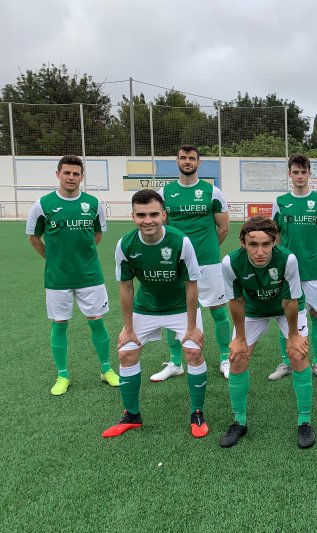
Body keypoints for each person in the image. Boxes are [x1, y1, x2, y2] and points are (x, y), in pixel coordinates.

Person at [102, 189, 208, 438]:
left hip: (181, 308)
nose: (147, 220)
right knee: (126, 354)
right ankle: (132, 415)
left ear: (164, 215)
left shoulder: (180, 241)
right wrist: (127, 328)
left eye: (153, 214)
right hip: (146, 307)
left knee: (193, 352)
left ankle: (197, 413)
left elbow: (192, 284)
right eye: (141, 215)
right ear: (133, 216)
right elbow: (126, 287)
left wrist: (192, 327)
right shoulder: (125, 244)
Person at [26, 155, 119, 395]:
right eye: (66, 172)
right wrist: (54, 258)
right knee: (59, 325)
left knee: (97, 322)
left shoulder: (93, 203)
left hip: (90, 276)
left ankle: (106, 369)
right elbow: (34, 239)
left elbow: (96, 235)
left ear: (81, 176)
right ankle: (62, 375)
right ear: (58, 174)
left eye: (76, 173)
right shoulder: (43, 204)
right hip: (57, 278)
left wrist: (81, 257)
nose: (71, 177)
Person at [220, 217, 313, 449]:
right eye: (253, 244)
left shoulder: (287, 259)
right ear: (243, 243)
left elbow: (290, 301)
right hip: (253, 310)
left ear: (274, 242)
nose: (260, 251)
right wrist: (240, 339)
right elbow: (236, 301)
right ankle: (239, 421)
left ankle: (305, 421)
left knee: (298, 356)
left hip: (287, 309)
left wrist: (293, 336)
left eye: (266, 244)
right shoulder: (230, 262)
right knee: (237, 359)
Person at [151, 145, 231, 381]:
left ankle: (225, 358)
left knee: (218, 310)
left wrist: (206, 249)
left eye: (192, 158)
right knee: (173, 311)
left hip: (208, 262)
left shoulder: (212, 192)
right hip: (175, 263)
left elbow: (223, 228)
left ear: (199, 162)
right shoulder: (165, 194)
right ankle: (176, 362)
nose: (187, 161)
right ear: (177, 161)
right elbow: (159, 227)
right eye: (183, 158)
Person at [267, 154, 317, 381]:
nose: (300, 176)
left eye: (304, 172)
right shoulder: (281, 201)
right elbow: (274, 234)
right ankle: (286, 363)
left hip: (313, 269)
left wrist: (311, 252)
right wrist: (285, 256)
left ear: (309, 174)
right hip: (286, 270)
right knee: (285, 314)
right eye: (296, 172)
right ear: (290, 174)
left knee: (316, 313)